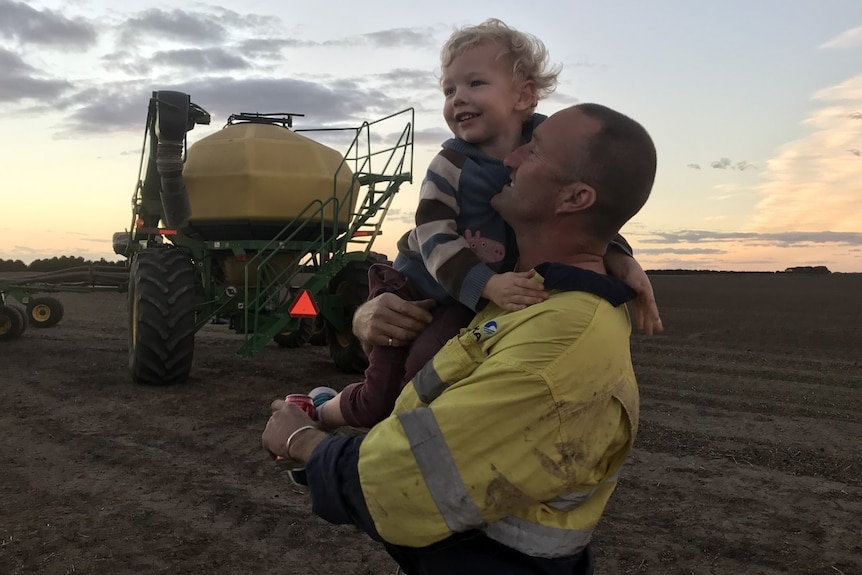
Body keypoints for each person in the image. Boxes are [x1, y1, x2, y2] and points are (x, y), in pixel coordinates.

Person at [262, 102, 658, 575]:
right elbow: (429, 403)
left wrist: (304, 442)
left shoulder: (554, 352)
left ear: (574, 198)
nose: (508, 159)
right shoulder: (522, 294)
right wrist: (371, 317)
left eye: (532, 151)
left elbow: (404, 482)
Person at [312, 19, 658, 431]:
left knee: (436, 363)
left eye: (475, 83)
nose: (458, 98)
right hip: (419, 286)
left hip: (473, 293)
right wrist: (488, 286)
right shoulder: (450, 164)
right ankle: (322, 408)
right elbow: (434, 237)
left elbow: (592, 207)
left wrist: (621, 258)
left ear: (524, 95)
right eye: (449, 90)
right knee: (383, 395)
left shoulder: (551, 140)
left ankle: (408, 434)